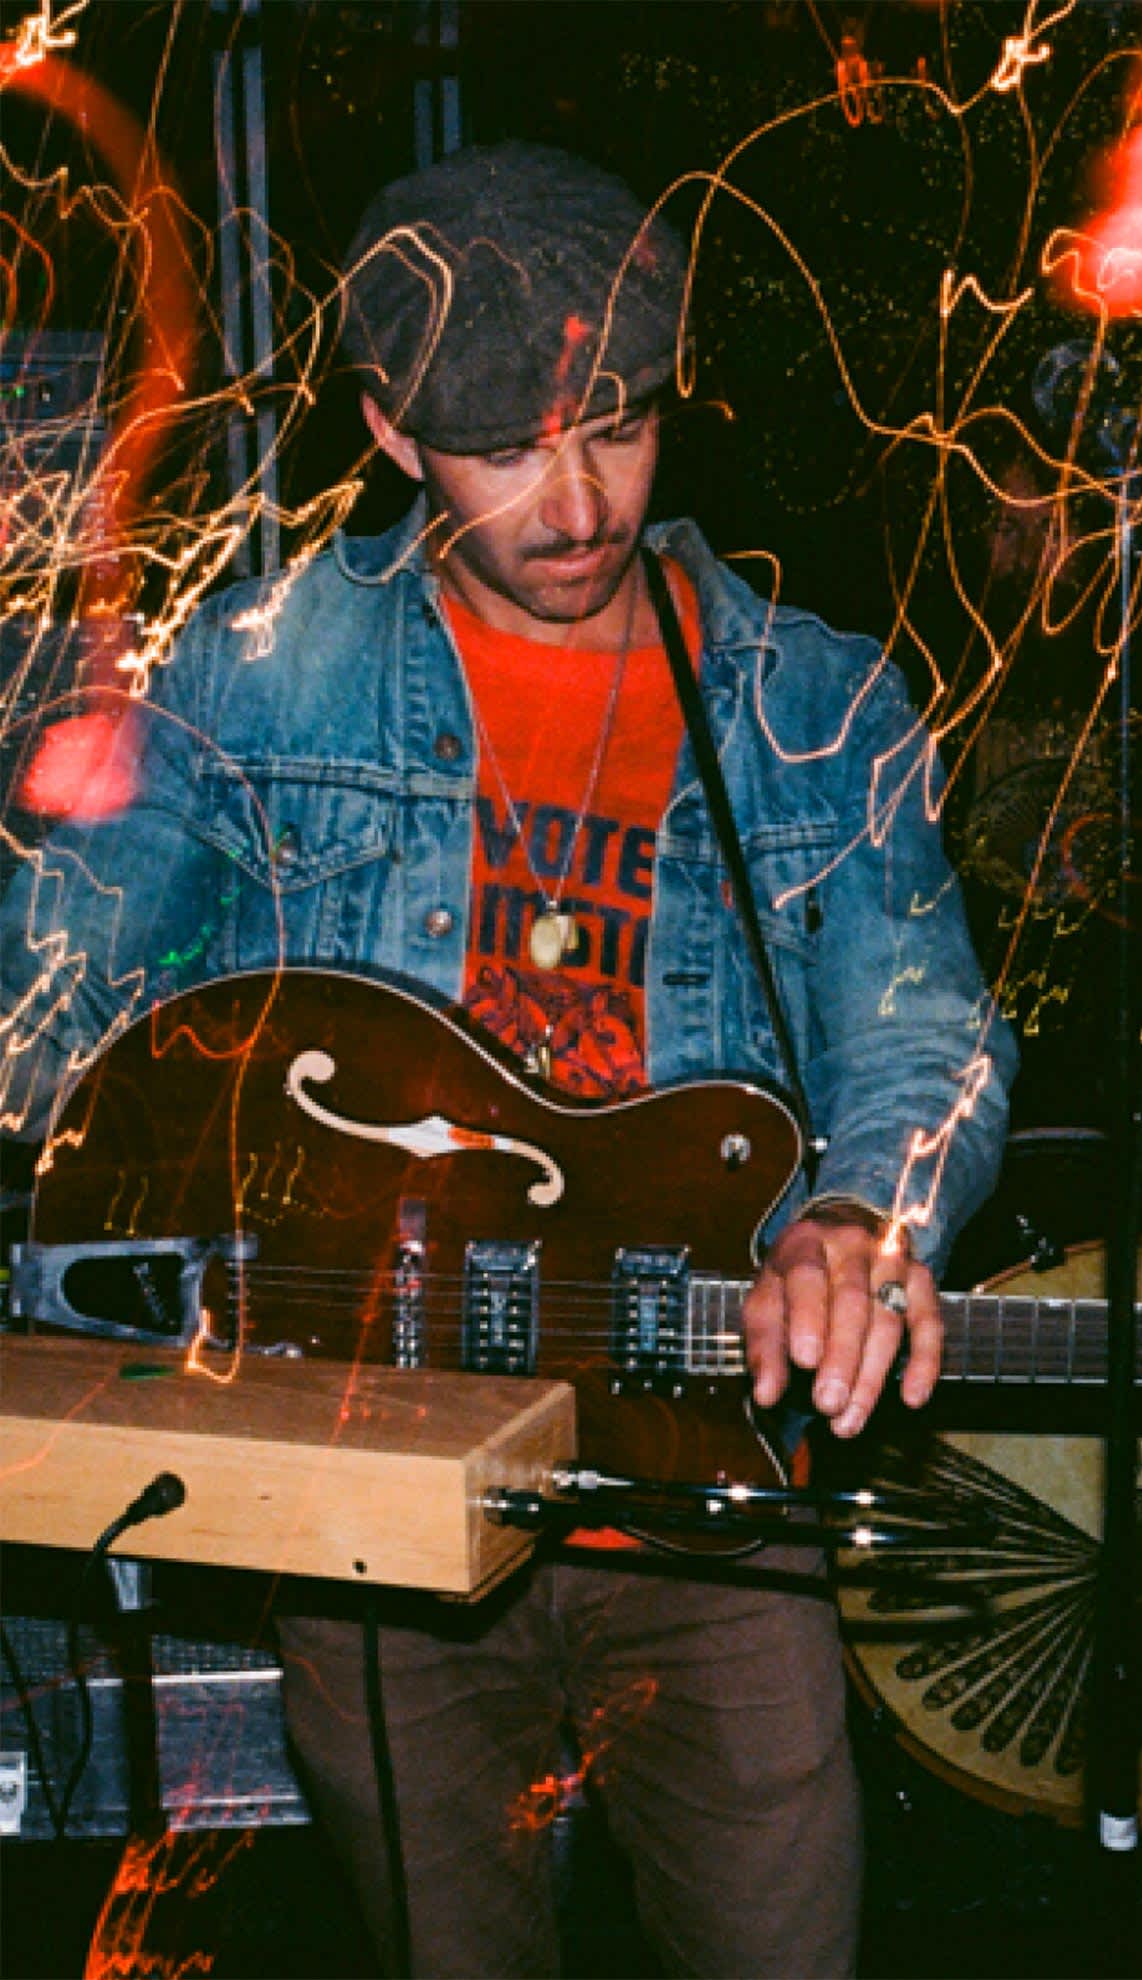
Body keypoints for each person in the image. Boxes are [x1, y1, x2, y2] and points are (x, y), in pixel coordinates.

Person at [0, 142, 1016, 1977]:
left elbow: (919, 1024)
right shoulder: (260, 671)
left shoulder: (812, 701)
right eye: (507, 448)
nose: (579, 501)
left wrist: (865, 1214)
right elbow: (53, 999)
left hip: (707, 1491)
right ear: (391, 429)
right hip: (376, 1475)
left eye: (619, 428)